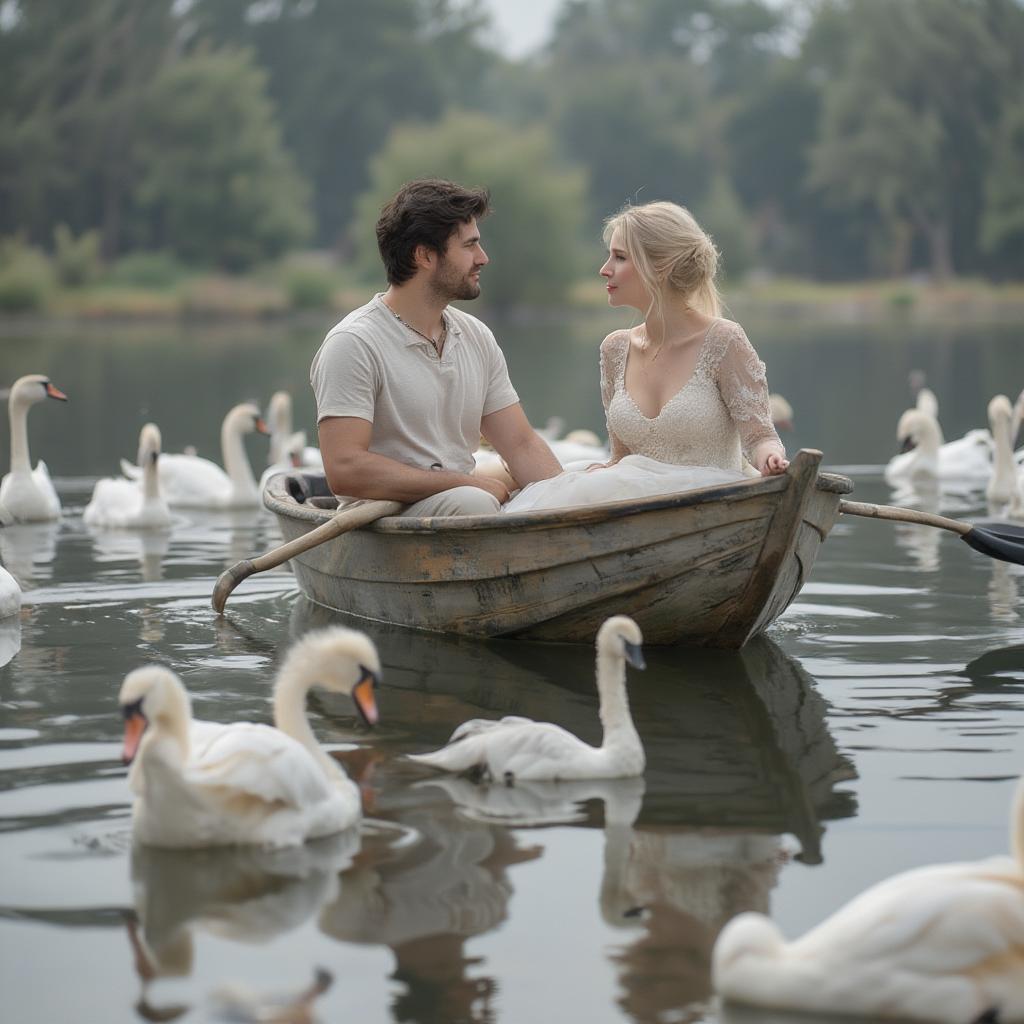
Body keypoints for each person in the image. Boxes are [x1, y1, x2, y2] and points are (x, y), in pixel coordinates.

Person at [503, 200, 788, 514]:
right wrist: (605, 470)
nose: (604, 269)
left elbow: (760, 435)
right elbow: (621, 457)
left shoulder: (723, 340)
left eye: (620, 257)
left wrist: (770, 459)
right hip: (635, 510)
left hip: (711, 504)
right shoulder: (614, 349)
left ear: (661, 266)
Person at [310, 179, 562, 516]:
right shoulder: (353, 344)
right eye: (470, 246)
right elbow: (345, 469)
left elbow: (521, 445)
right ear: (425, 255)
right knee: (474, 502)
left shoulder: (476, 336)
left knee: (576, 479)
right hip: (382, 519)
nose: (483, 258)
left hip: (463, 503)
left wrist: (567, 502)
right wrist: (464, 483)